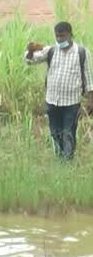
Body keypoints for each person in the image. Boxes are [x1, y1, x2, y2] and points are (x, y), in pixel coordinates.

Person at [26, 21, 93, 160]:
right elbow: (30, 61)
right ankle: (60, 157)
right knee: (55, 132)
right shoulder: (51, 50)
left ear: (70, 35)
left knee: (68, 132)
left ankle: (67, 161)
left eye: (62, 36)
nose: (59, 39)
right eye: (57, 36)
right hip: (52, 100)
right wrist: (31, 50)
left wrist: (90, 101)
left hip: (71, 103)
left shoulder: (81, 52)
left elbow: (88, 78)